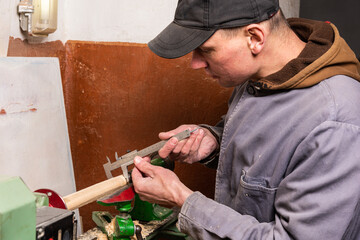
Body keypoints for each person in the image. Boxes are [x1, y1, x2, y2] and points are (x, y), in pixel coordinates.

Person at [131, 0, 360, 239]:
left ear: (255, 38)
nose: (195, 63)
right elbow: (273, 147)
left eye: (206, 49)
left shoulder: (335, 123)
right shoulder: (263, 74)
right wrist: (216, 141)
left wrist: (182, 200)